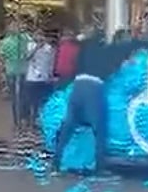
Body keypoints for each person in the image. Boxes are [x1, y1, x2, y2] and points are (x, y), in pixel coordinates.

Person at [53, 27, 110, 174]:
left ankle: (56, 163)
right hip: (94, 86)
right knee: (99, 128)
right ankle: (100, 167)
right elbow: (111, 70)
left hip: (78, 85)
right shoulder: (105, 51)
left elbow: (73, 65)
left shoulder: (81, 48)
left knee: (68, 125)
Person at [0, 20, 31, 128]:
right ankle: (22, 117)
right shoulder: (24, 38)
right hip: (22, 70)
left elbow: (2, 57)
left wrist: (2, 71)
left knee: (14, 96)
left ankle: (16, 120)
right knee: (22, 95)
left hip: (11, 70)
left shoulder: (4, 42)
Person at [24, 30, 55, 127]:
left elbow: (51, 61)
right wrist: (36, 48)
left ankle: (40, 120)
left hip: (43, 78)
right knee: (31, 100)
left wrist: (50, 75)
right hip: (31, 78)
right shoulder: (31, 46)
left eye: (41, 36)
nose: (39, 38)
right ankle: (30, 120)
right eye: (37, 36)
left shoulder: (48, 48)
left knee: (41, 100)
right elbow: (27, 57)